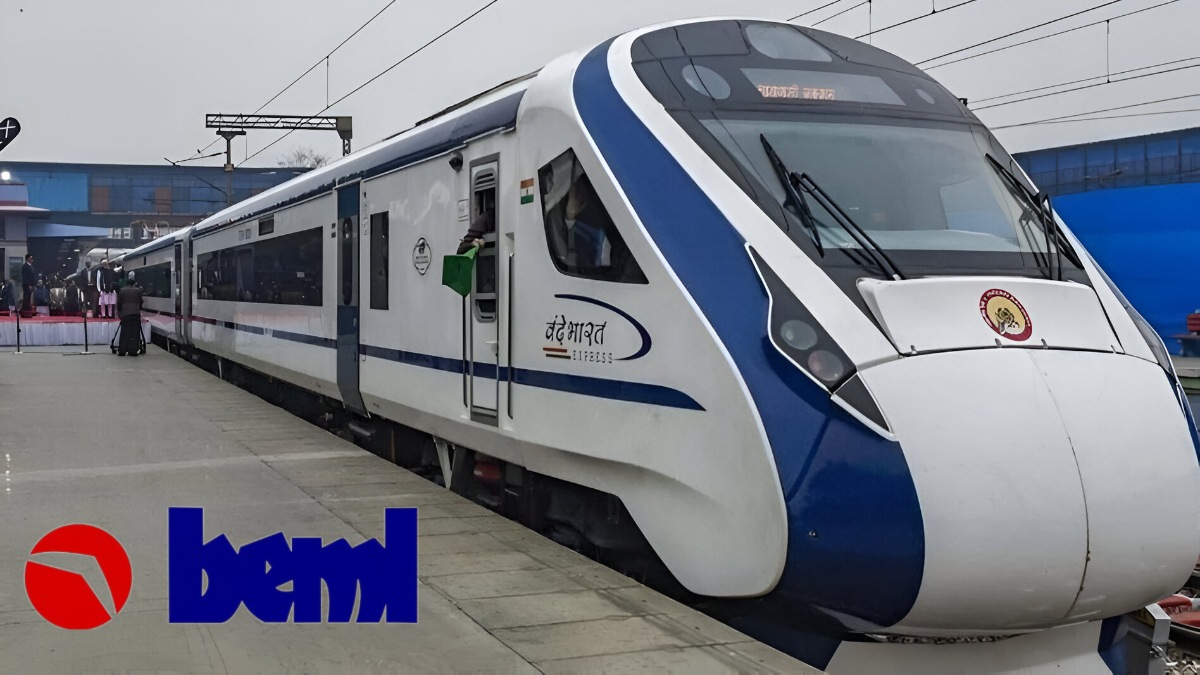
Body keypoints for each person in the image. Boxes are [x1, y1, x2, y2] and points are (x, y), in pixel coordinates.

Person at [116, 278, 143, 356]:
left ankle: (122, 351)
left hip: (125, 314)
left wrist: (120, 313)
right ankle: (133, 351)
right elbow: (141, 302)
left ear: (126, 283)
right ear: (134, 283)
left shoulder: (122, 290)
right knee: (135, 333)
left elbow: (119, 303)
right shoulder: (138, 291)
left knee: (124, 333)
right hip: (136, 314)